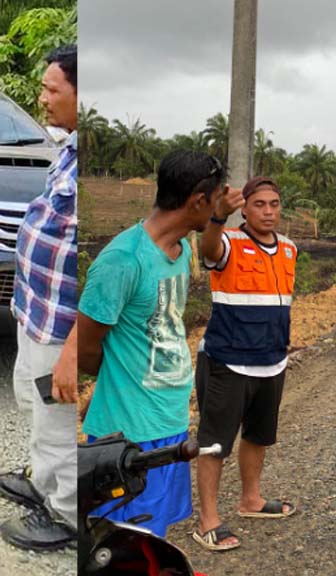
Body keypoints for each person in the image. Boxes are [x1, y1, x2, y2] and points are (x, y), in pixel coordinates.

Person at [77, 149, 225, 538]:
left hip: (170, 420)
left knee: (152, 536)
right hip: (130, 433)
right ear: (197, 201)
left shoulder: (182, 250)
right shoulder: (122, 261)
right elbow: (86, 345)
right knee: (123, 537)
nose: (216, 209)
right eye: (214, 201)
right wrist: (114, 382)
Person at [0, 45, 79, 551]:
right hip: (37, 311)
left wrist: (73, 348)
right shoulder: (67, 149)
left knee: (58, 418)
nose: (42, 98)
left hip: (62, 324)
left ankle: (65, 515)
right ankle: (43, 482)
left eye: (52, 89)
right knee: (35, 403)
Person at [191, 176, 297, 552]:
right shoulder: (229, 243)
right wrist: (217, 217)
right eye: (259, 204)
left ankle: (251, 500)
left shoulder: (288, 248)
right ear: (245, 209)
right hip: (228, 361)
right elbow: (207, 249)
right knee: (215, 444)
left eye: (275, 204)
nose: (269, 211)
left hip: (271, 362)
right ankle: (208, 521)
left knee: (258, 435)